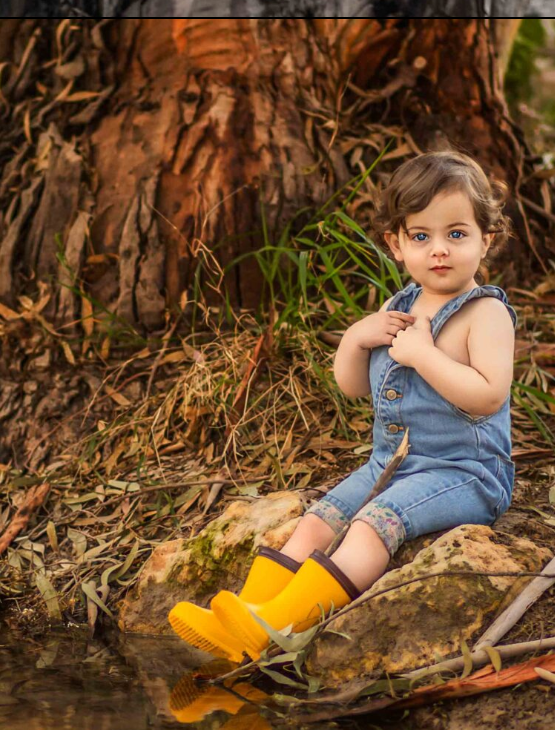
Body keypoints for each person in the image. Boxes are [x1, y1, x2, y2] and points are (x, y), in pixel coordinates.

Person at [169, 150, 519, 662]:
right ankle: (245, 612)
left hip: (466, 471)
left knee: (374, 522)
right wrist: (356, 338)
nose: (438, 250)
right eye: (421, 236)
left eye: (457, 234)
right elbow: (353, 386)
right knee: (318, 520)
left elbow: (490, 394)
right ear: (396, 245)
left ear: (487, 239)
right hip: (391, 463)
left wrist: (423, 355)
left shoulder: (484, 313)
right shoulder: (399, 308)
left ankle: (275, 624)